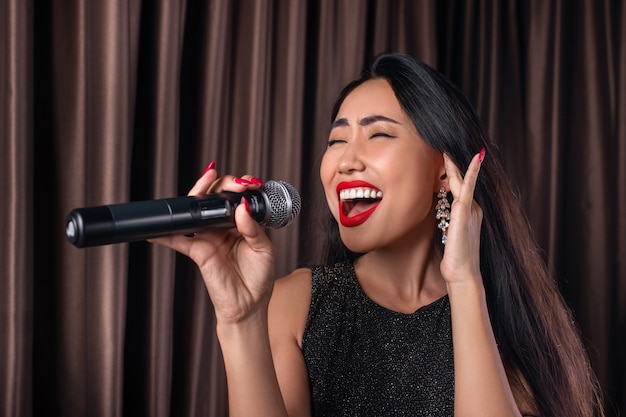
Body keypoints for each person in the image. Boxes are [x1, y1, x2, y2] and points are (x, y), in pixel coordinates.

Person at [153, 53, 605, 416]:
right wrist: (240, 323)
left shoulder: (500, 321)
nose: (346, 160)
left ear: (444, 172)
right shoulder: (296, 304)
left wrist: (465, 287)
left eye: (379, 135)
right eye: (336, 141)